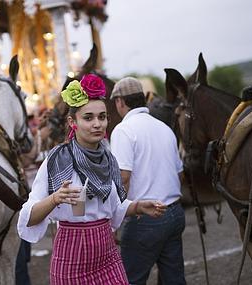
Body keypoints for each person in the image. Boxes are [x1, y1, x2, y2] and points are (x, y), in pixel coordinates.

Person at [17, 74, 167, 284]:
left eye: (102, 117)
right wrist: (55, 199)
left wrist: (138, 206)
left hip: (108, 256)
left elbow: (114, 208)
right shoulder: (57, 160)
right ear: (73, 122)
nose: (97, 124)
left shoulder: (109, 159)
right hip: (71, 259)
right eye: (88, 118)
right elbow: (28, 216)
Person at [110, 77, 186, 285]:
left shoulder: (123, 130)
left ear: (120, 102)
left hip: (145, 218)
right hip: (174, 213)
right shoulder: (164, 128)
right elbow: (179, 174)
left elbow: (123, 178)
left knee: (130, 280)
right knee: (174, 280)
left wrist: (115, 221)